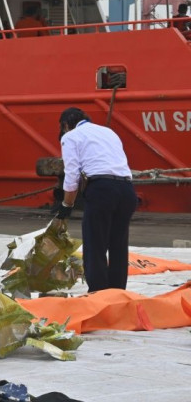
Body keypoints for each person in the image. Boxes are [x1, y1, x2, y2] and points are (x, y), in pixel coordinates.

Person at [55, 108, 137, 293]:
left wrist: (66, 206)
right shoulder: (109, 131)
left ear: (66, 125)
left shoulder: (70, 136)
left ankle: (98, 294)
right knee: (118, 245)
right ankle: (116, 293)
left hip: (101, 190)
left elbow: (72, 174)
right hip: (127, 190)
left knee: (95, 246)